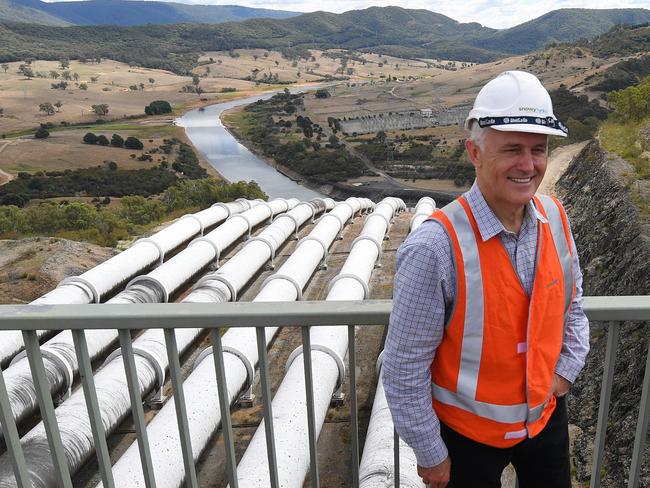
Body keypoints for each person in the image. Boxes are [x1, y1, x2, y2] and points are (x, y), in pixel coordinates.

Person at [382, 70, 590, 488]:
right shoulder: (435, 247)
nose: (527, 165)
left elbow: (573, 309)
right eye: (511, 148)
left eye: (538, 149)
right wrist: (430, 453)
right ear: (474, 153)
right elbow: (404, 367)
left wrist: (562, 376)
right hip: (464, 442)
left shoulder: (556, 219)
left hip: (545, 422)